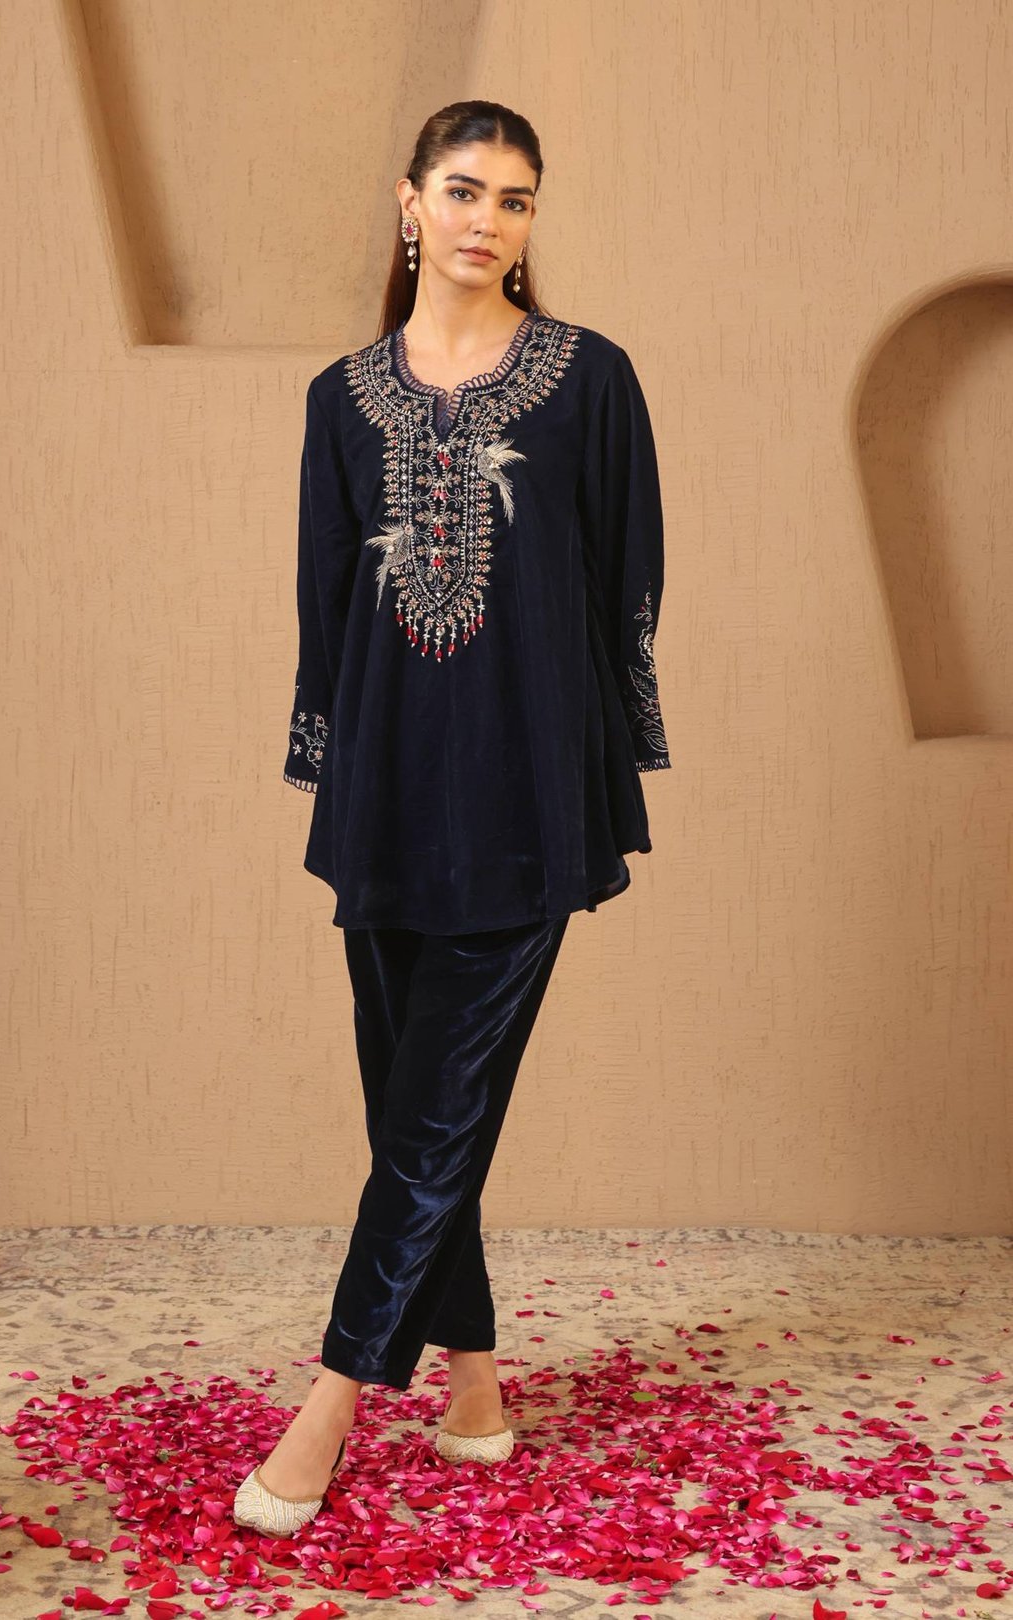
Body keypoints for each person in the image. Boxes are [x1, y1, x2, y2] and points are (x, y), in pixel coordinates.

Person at [234, 99, 671, 1538]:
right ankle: (473, 1386)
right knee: (418, 1102)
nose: (490, 220)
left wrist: (600, 756)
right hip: (387, 793)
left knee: (430, 1113)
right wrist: (333, 762)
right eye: (467, 190)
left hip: (527, 790)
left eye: (518, 199)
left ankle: (331, 1402)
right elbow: (323, 604)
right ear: (411, 201)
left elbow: (627, 579)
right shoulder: (341, 397)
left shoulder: (588, 380)